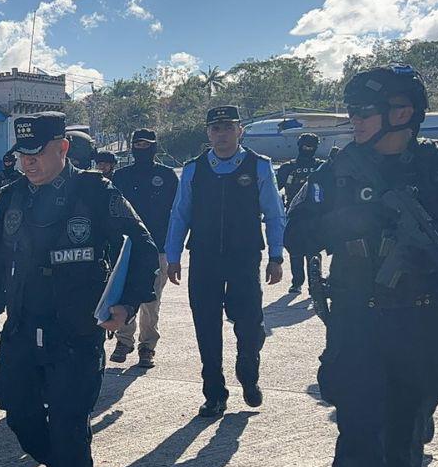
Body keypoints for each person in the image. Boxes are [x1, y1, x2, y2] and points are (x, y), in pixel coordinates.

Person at [285, 65, 438, 467]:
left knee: (404, 435)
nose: (352, 120)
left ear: (402, 113)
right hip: (358, 323)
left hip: (422, 324)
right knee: (358, 434)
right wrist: (350, 222)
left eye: (362, 111)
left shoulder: (437, 169)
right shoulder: (337, 172)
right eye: (350, 110)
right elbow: (295, 234)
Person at [0, 112, 159, 467]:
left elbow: (142, 247)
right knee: (15, 408)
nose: (28, 162)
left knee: (69, 426)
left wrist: (126, 303)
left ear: (62, 148)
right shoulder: (11, 195)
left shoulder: (95, 192)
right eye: (22, 154)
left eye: (37, 153)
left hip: (75, 332)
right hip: (22, 326)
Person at [166, 105, 286, 418]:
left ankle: (248, 371)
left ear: (240, 130)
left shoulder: (259, 166)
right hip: (204, 259)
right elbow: (180, 214)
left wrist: (276, 256)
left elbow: (274, 214)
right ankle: (214, 393)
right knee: (206, 326)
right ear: (208, 133)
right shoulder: (193, 169)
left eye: (228, 127)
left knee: (249, 323)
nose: (222, 134)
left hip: (244, 258)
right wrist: (173, 255)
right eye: (216, 128)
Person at [110, 128, 179, 367]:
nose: (142, 149)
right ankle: (124, 340)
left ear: (154, 147)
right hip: (127, 248)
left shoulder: (167, 176)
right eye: (138, 144)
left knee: (151, 300)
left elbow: (178, 214)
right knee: (124, 295)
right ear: (132, 147)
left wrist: (175, 249)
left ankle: (147, 345)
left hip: (157, 247)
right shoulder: (120, 176)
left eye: (146, 145)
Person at [276, 133, 325, 294]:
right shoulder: (288, 168)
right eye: (306, 145)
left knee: (313, 251)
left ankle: (314, 284)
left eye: (311, 145)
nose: (308, 148)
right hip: (295, 215)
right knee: (296, 250)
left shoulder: (321, 167)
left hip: (315, 216)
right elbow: (274, 190)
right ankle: (299, 282)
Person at [0, 150, 22, 214]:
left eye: (10, 162)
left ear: (14, 162)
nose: (7, 164)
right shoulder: (0, 174)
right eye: (6, 162)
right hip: (2, 203)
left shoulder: (19, 175)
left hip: (16, 205)